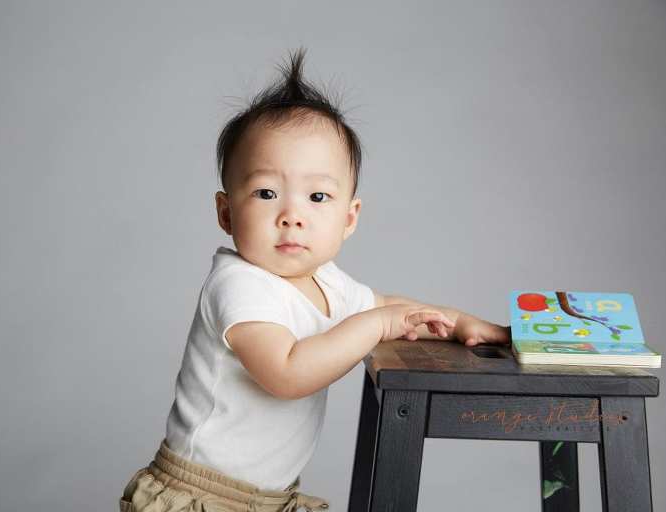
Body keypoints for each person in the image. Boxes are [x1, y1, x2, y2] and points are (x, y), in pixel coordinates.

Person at [119, 47, 511, 512]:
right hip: (202, 497)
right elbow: (286, 373)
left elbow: (392, 310)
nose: (292, 215)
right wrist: (378, 324)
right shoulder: (239, 284)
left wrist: (459, 322)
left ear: (349, 218)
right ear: (226, 212)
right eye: (266, 193)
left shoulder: (328, 283)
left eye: (317, 197)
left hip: (264, 497)